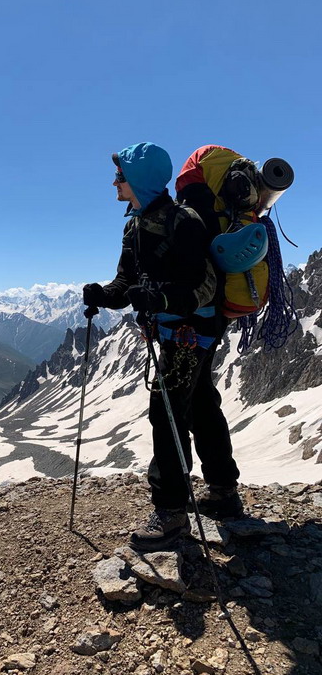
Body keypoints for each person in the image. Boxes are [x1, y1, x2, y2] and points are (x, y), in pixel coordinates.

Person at [83, 142, 242, 551]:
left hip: (191, 331)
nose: (115, 182)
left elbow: (203, 289)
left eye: (121, 175)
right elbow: (126, 284)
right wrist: (103, 294)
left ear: (140, 180)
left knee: (166, 411)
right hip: (179, 330)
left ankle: (171, 514)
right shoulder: (135, 225)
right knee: (201, 403)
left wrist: (160, 300)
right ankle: (223, 492)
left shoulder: (183, 222)